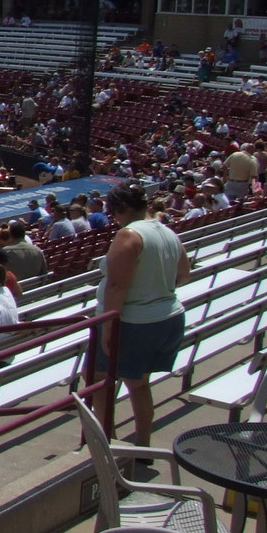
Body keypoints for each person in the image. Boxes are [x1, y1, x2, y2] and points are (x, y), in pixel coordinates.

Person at [97, 183, 190, 448]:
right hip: (168, 316)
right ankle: (143, 444)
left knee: (96, 380)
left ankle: (108, 443)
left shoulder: (129, 235)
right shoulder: (168, 231)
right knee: (138, 385)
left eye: (114, 212)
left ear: (123, 208)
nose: (113, 218)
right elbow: (184, 275)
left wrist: (107, 329)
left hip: (135, 322)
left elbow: (117, 287)